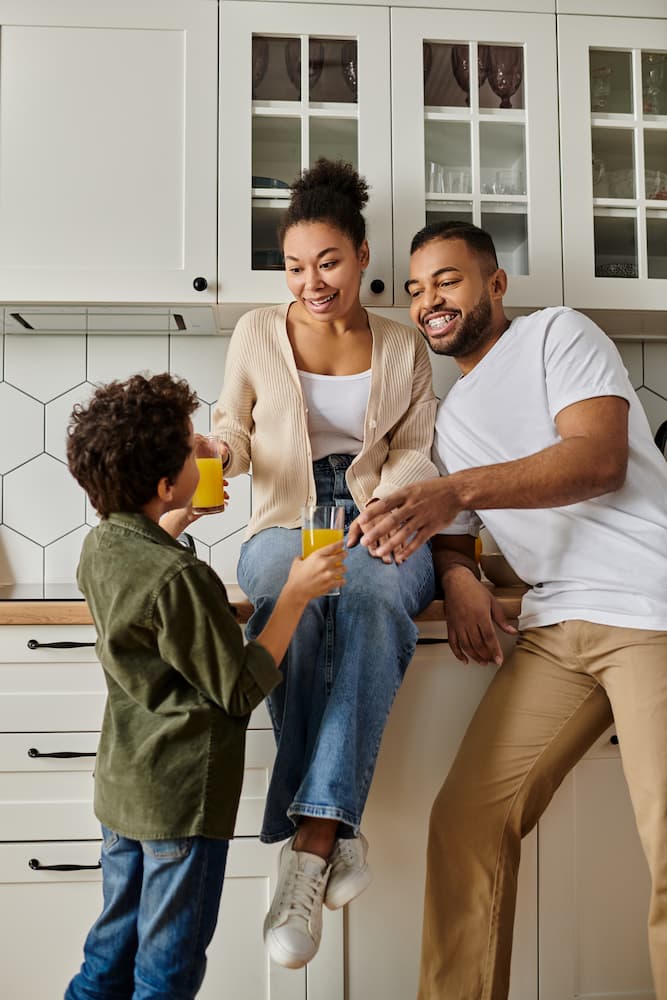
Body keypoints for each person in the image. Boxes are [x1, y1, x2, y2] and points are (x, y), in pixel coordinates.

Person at [351, 221, 667, 1000]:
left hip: (649, 606)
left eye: (447, 281)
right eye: (418, 289)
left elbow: (593, 457)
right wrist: (458, 575)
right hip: (555, 630)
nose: (430, 301)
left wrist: (453, 493)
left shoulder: (558, 334)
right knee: (464, 824)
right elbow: (455, 535)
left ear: (494, 285)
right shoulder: (449, 417)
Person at [212, 158, 438, 970]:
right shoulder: (253, 333)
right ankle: (334, 836)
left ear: (363, 255)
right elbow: (234, 430)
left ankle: (308, 845)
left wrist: (383, 510)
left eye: (329, 263)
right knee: (287, 599)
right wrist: (218, 453)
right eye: (296, 267)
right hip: (284, 516)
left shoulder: (403, 347)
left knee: (376, 601)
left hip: (381, 514)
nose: (311, 282)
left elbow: (416, 453)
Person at [64, 372, 345, 1000]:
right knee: (167, 972)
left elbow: (145, 588)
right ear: (164, 484)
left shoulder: (101, 544)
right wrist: (296, 594)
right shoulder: (179, 580)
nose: (208, 451)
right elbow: (240, 688)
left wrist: (177, 516)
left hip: (123, 791)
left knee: (109, 953)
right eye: (195, 448)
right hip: (181, 801)